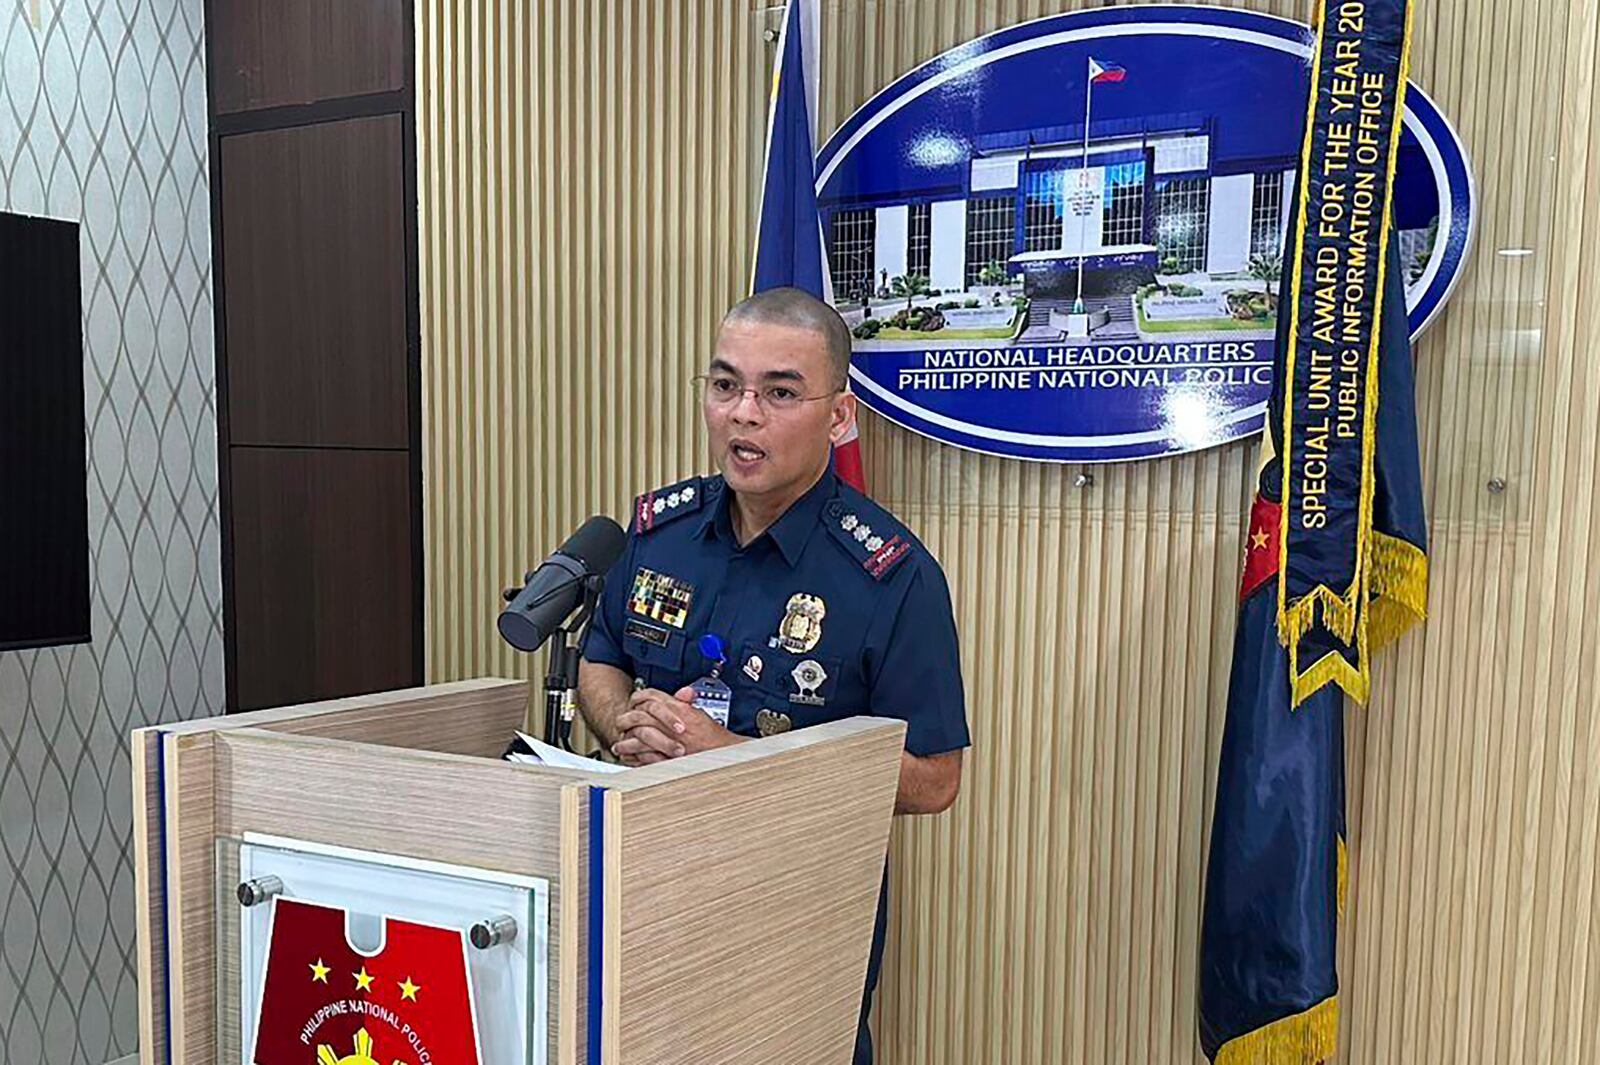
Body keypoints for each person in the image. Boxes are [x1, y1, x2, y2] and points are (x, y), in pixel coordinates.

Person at [578, 285, 970, 1065]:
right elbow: (601, 661)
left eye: (780, 391)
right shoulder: (661, 534)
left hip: (798, 910)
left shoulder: (891, 578)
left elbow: (935, 776)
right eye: (725, 386)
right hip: (646, 890)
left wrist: (728, 755)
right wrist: (625, 721)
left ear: (839, 416)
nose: (743, 413)